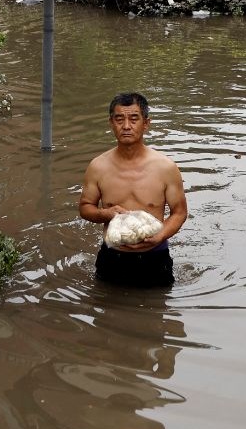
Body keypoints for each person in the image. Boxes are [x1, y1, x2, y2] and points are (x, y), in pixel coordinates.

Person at [79, 92, 188, 287]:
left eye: (134, 119)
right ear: (111, 123)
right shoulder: (98, 167)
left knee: (157, 313)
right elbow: (85, 207)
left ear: (146, 123)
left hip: (155, 257)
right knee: (104, 311)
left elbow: (179, 213)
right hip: (112, 256)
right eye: (119, 119)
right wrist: (107, 213)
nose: (126, 126)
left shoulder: (166, 168)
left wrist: (160, 235)